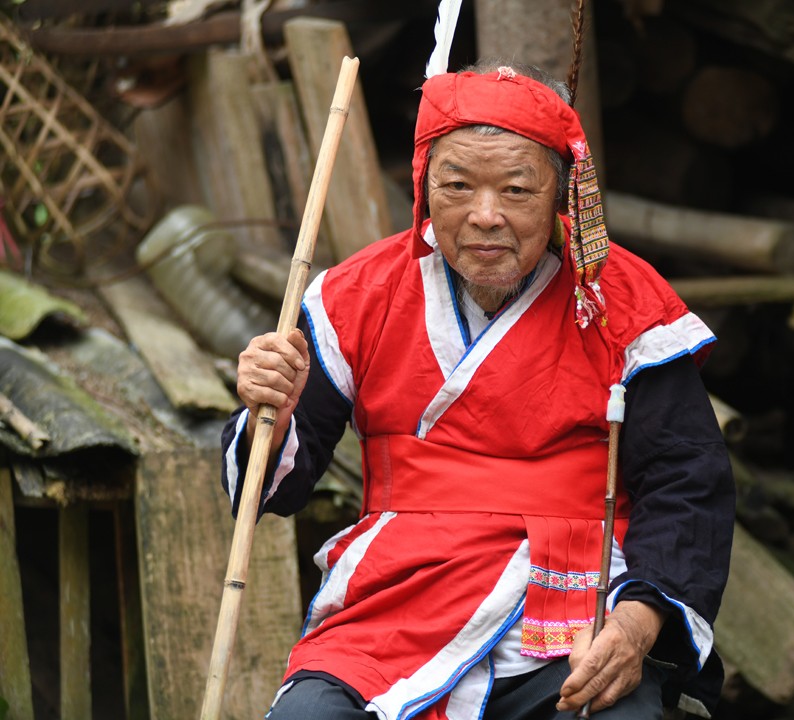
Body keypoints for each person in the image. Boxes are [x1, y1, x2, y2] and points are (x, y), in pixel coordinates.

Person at [222, 58, 735, 720]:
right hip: (391, 610)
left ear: (560, 196)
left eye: (517, 191)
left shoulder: (626, 306)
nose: (485, 216)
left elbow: (686, 485)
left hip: (569, 617)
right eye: (457, 185)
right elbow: (271, 488)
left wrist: (633, 627)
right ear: (422, 187)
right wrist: (273, 408)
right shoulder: (356, 296)